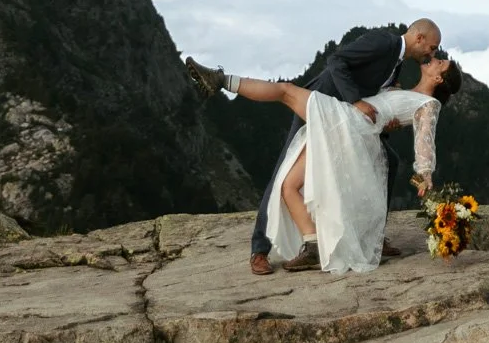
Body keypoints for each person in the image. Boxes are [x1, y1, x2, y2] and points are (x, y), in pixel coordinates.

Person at [190, 21, 443, 274]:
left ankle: (372, 236)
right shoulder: (383, 42)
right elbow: (336, 61)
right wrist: (355, 101)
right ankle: (260, 250)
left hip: (347, 121)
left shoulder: (396, 64)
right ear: (419, 38)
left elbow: (378, 98)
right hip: (324, 105)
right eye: (432, 48)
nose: (431, 54)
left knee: (389, 160)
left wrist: (385, 120)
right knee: (285, 169)